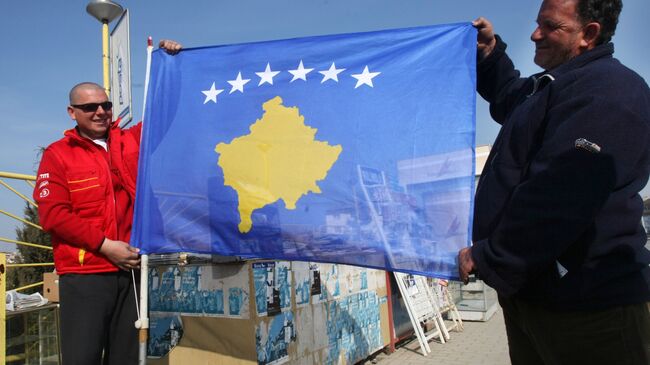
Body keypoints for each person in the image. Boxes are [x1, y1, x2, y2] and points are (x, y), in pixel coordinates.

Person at [458, 0, 650, 363]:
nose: (535, 34)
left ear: (588, 34)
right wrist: (490, 54)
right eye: (537, 23)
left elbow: (560, 197)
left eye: (550, 26)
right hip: (536, 298)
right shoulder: (551, 87)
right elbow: (510, 96)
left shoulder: (610, 91)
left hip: (589, 310)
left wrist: (491, 255)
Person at [34, 40, 182, 365]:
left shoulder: (128, 142)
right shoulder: (57, 155)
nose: (100, 111)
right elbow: (54, 216)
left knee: (127, 359)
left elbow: (165, 117)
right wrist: (104, 245)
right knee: (82, 358)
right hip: (85, 276)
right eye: (90, 107)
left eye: (106, 104)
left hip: (130, 272)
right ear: (72, 112)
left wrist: (171, 67)